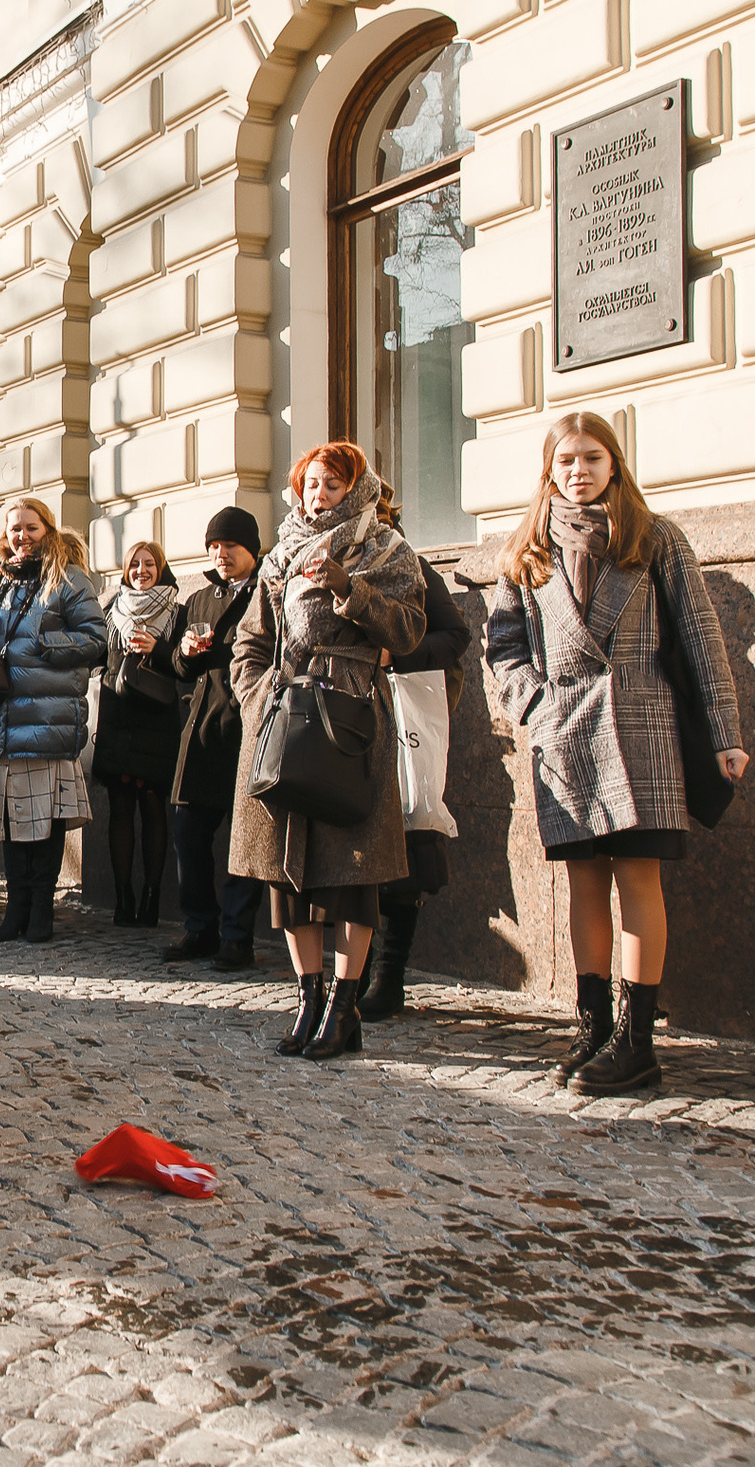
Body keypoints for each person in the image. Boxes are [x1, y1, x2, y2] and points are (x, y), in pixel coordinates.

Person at [485, 411, 747, 1095]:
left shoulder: (653, 537)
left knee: (638, 880)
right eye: (566, 460)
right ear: (549, 470)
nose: (579, 471)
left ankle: (637, 1040)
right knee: (584, 885)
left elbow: (701, 636)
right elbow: (504, 647)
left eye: (592, 458)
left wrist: (725, 732)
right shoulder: (525, 548)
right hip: (565, 732)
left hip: (643, 728)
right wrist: (534, 707)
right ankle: (593, 1024)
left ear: (615, 464)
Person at [229, 444, 427, 1061]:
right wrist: (257, 695)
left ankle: (345, 1006)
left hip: (350, 724)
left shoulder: (386, 550)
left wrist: (352, 590)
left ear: (357, 489)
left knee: (351, 873)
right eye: (311, 484)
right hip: (284, 724)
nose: (319, 495)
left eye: (333, 485)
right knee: (291, 877)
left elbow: (411, 630)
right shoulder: (281, 556)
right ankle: (307, 1000)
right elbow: (249, 640)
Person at [0, 497, 106, 944]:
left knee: (43, 824)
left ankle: (40, 911)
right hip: (5, 722)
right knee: (11, 822)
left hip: (48, 720)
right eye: (14, 530)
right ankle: (16, 909)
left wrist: (46, 645)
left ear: (48, 530)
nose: (21, 537)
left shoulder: (68, 580)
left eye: (31, 528)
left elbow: (96, 639)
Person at [363, 492, 472, 1022]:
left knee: (405, 852)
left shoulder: (410, 564)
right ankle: (349, 976)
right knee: (349, 856)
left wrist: (396, 653)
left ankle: (389, 976)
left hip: (401, 723)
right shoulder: (317, 562)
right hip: (342, 724)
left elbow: (456, 636)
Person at [154, 508, 265, 970]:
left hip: (247, 728)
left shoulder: (267, 591)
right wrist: (182, 651)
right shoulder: (198, 599)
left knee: (245, 839)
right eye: (214, 547)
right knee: (188, 833)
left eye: (230, 546)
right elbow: (182, 670)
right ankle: (200, 926)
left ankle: (237, 937)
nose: (221, 554)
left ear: (252, 550)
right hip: (201, 731)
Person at [94, 541, 181, 929]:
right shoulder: (112, 609)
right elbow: (98, 656)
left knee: (152, 808)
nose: (141, 571)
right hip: (118, 720)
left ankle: (151, 895)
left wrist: (157, 648)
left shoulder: (177, 611)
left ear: (160, 569)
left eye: (149, 564)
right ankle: (123, 894)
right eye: (134, 564)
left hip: (157, 720)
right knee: (120, 810)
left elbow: (184, 662)